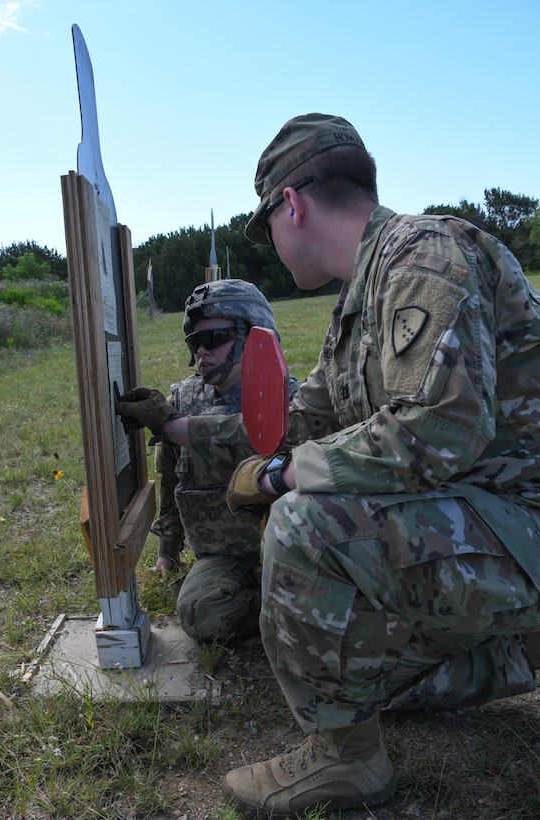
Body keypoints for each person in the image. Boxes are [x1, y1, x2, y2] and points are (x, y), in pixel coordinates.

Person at [214, 114, 540, 816]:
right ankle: (512, 653)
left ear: (290, 204)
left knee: (306, 522)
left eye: (267, 222)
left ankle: (347, 763)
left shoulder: (423, 254)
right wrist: (219, 444)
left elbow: (437, 430)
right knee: (350, 674)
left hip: (520, 523)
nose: (271, 242)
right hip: (475, 524)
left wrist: (281, 477)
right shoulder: (358, 306)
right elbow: (310, 422)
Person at [116, 278, 298, 644]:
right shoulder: (181, 401)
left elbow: (253, 430)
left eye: (215, 339)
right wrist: (168, 552)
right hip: (224, 556)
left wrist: (175, 427)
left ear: (253, 336)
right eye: (194, 342)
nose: (202, 352)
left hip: (290, 552)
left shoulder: (292, 398)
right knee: (202, 612)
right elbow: (171, 482)